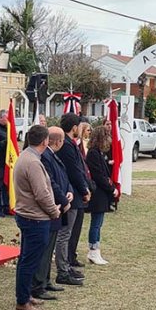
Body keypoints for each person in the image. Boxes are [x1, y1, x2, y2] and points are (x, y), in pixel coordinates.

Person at [13, 125, 62, 310]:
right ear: (45, 141)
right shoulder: (32, 161)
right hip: (35, 218)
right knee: (29, 261)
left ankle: (25, 295)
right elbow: (42, 194)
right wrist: (54, 211)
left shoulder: (27, 156)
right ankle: (22, 301)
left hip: (29, 216)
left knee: (26, 259)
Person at [31, 127, 73, 299]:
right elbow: (50, 183)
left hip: (57, 207)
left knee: (49, 250)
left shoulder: (52, 155)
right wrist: (63, 200)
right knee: (44, 250)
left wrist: (69, 191)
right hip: (50, 208)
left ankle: (46, 280)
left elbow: (64, 176)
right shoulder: (44, 157)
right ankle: (39, 285)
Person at [54, 114, 89, 284]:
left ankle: (66, 265)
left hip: (72, 192)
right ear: (74, 127)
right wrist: (84, 189)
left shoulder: (69, 143)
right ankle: (63, 269)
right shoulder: (66, 146)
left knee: (68, 233)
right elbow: (73, 171)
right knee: (65, 234)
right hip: (70, 193)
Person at [85, 124, 118, 265]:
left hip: (102, 193)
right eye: (107, 136)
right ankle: (93, 250)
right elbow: (99, 176)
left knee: (99, 223)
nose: (110, 139)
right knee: (96, 224)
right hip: (98, 193)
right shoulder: (93, 153)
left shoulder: (99, 152)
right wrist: (112, 188)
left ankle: (96, 249)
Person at [67, 120, 93, 268]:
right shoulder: (73, 145)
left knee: (76, 228)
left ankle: (72, 255)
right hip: (75, 192)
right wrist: (84, 189)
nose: (89, 133)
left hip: (81, 190)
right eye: (87, 130)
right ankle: (68, 258)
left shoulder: (79, 146)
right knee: (69, 230)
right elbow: (75, 171)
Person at [0, 110, 10, 217]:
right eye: (7, 118)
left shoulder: (8, 128)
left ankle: (6, 207)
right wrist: (6, 141)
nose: (8, 120)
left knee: (6, 185)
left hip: (7, 162)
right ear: (1, 118)